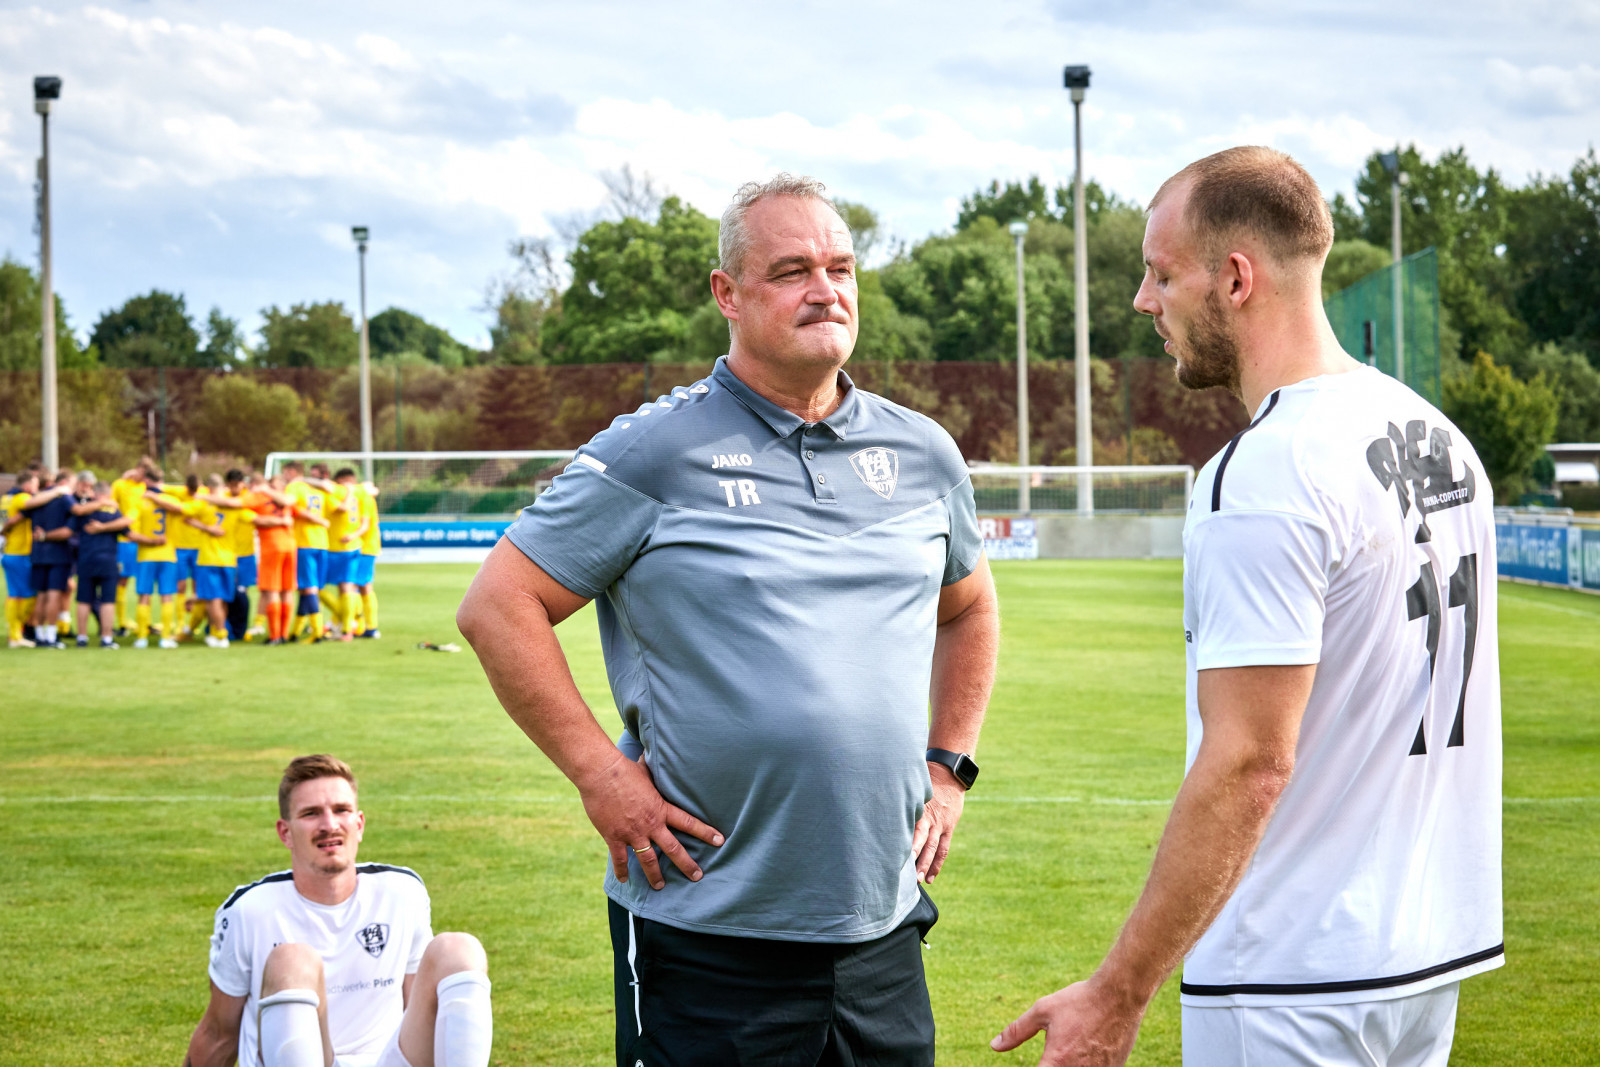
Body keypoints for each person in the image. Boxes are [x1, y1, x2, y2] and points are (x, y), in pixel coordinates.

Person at [458, 173, 1000, 1066]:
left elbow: (970, 605)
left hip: (882, 924)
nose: (825, 289)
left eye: (840, 266)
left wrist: (949, 768)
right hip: (708, 927)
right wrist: (601, 775)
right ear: (728, 294)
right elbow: (497, 606)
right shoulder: (654, 451)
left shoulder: (921, 451)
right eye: (791, 270)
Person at [992, 147, 1502, 1067]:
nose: (1146, 300)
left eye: (1160, 271)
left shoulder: (1266, 468)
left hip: (1292, 968)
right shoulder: (1440, 435)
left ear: (1235, 278)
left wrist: (1117, 991)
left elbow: (1250, 760)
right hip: (1426, 953)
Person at [184, 755, 493, 1067]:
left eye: (341, 810)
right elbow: (219, 1033)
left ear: (358, 825)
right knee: (292, 961)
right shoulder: (249, 911)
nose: (329, 825)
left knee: (459, 949)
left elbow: (420, 1009)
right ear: (285, 832)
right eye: (311, 813)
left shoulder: (402, 892)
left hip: (385, 1061)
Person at [128, 471, 200, 649]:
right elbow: (181, 510)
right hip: (168, 554)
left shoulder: (140, 501)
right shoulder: (171, 501)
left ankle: (142, 637)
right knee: (167, 596)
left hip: (146, 555)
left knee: (144, 596)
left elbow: (129, 529)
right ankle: (166, 637)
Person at [186, 476, 255, 649]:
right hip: (229, 559)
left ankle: (221, 634)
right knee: (222, 600)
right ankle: (216, 634)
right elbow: (254, 518)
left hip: (209, 559)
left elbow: (184, 514)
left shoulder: (204, 504)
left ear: (208, 488)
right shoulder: (234, 504)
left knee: (212, 600)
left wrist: (206, 527)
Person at [69, 479, 128, 648]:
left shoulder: (84, 510)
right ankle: (107, 638)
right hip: (108, 559)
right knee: (108, 600)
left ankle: (82, 637)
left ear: (94, 492)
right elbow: (127, 528)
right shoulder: (113, 510)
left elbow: (71, 528)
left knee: (83, 600)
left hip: (86, 559)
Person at [23, 468, 77, 649]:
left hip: (38, 553)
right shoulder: (64, 499)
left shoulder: (37, 499)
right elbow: (68, 530)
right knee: (54, 595)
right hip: (58, 554)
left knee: (41, 596)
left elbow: (25, 508)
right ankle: (51, 636)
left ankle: (39, 636)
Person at [282, 460, 332, 641]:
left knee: (308, 588)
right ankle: (296, 631)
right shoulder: (319, 490)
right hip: (322, 542)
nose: (283, 477)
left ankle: (317, 631)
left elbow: (290, 505)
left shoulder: (296, 487)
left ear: (291, 471)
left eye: (285, 473)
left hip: (304, 543)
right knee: (306, 589)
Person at [247, 473, 298, 645]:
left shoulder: (262, 498)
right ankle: (282, 634)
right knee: (286, 590)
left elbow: (239, 504)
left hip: (272, 547)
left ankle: (275, 635)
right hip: (290, 545)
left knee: (272, 591)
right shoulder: (288, 498)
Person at [325, 468, 368, 641]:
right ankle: (348, 623)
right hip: (337, 547)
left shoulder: (344, 493)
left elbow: (343, 509)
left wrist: (349, 492)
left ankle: (347, 629)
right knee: (345, 588)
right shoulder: (360, 492)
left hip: (344, 547)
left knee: (345, 587)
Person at [110, 464, 150, 634]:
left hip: (144, 541)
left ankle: (144, 624)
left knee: (144, 583)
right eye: (142, 471)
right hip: (125, 540)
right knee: (122, 581)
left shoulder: (146, 487)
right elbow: (111, 505)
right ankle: (121, 623)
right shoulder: (120, 484)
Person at [3, 468, 40, 648]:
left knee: (14, 594)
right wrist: (58, 491)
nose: (36, 488)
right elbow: (35, 503)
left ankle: (14, 635)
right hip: (21, 553)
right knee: (27, 595)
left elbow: (2, 526)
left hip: (8, 552)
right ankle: (16, 633)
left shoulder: (5, 499)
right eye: (35, 484)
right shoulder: (22, 498)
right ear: (27, 485)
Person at [353, 481, 382, 639]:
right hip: (366, 546)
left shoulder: (363, 496)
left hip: (365, 547)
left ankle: (370, 627)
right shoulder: (364, 493)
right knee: (358, 586)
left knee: (361, 585)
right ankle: (364, 625)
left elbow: (364, 525)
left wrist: (351, 536)